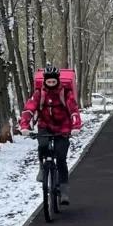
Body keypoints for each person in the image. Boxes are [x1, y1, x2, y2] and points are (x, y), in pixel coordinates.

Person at [19, 64, 82, 205]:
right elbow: (29, 109)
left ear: (58, 81)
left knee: (61, 159)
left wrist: (75, 127)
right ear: (45, 81)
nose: (52, 84)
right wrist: (24, 126)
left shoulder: (65, 93)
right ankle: (42, 167)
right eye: (49, 82)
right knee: (42, 145)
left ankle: (64, 189)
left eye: (54, 81)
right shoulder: (39, 94)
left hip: (63, 128)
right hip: (45, 126)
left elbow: (73, 111)